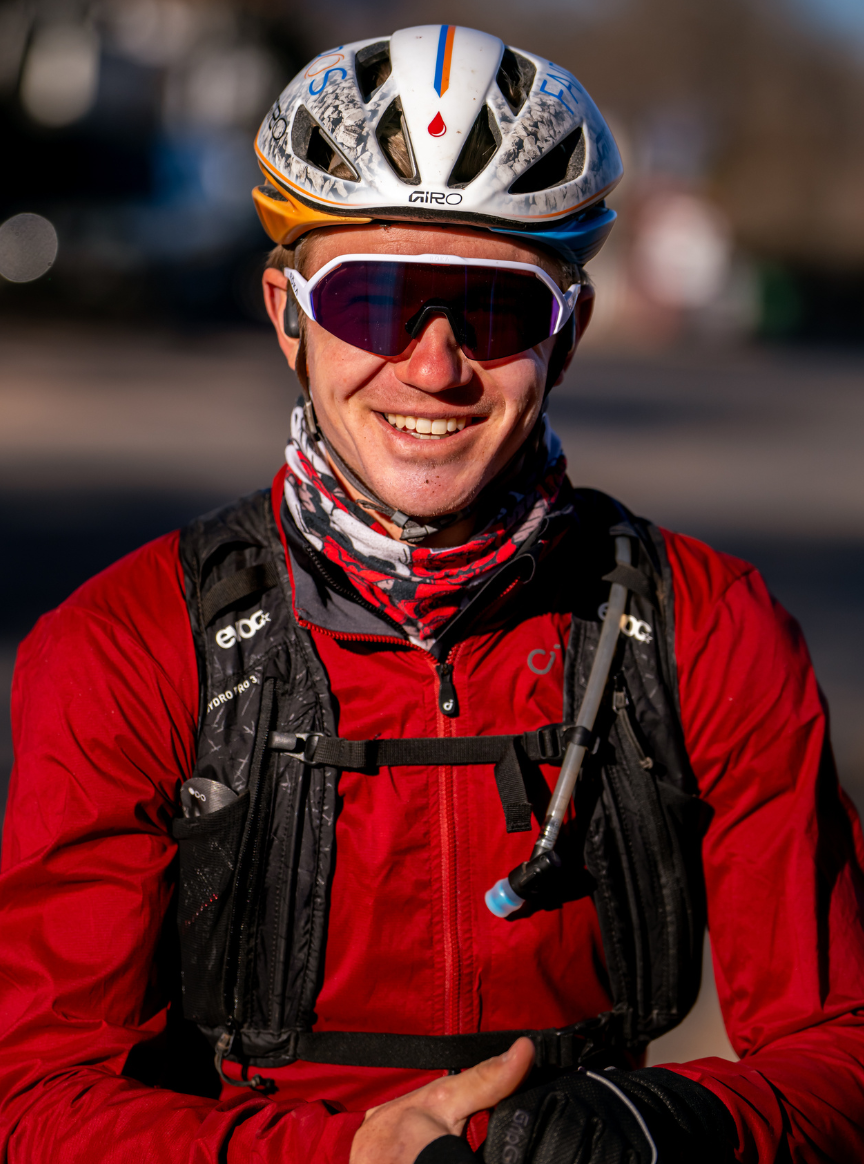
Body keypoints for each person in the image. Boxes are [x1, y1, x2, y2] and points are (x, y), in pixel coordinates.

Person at [1, 23, 863, 1164]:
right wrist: (343, 1156)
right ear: (288, 318)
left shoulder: (707, 629)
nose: (434, 366)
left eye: (495, 311)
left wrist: (662, 1126)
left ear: (567, 337)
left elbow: (841, 1047)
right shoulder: (126, 645)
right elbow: (36, 1099)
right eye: (375, 302)